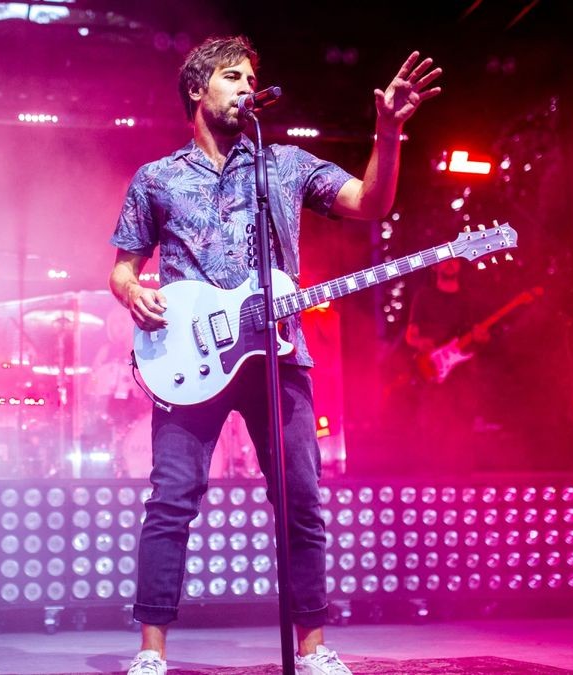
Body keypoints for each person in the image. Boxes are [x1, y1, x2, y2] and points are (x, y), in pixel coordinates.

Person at [108, 36, 441, 675]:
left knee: (301, 499)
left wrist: (389, 132)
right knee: (172, 497)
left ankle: (313, 650)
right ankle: (151, 654)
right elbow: (122, 269)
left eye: (250, 77)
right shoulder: (157, 179)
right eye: (231, 76)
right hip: (190, 357)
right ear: (197, 91)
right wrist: (132, 294)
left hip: (279, 355)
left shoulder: (282, 165)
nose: (244, 85)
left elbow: (371, 204)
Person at [401, 257, 490, 475]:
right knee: (434, 426)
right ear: (435, 265)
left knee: (463, 428)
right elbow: (410, 336)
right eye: (445, 259)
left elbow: (484, 336)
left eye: (454, 260)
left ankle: (464, 480)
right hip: (433, 372)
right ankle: (433, 479)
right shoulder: (424, 296)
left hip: (463, 376)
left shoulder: (469, 299)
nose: (450, 263)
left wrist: (482, 336)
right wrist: (421, 343)